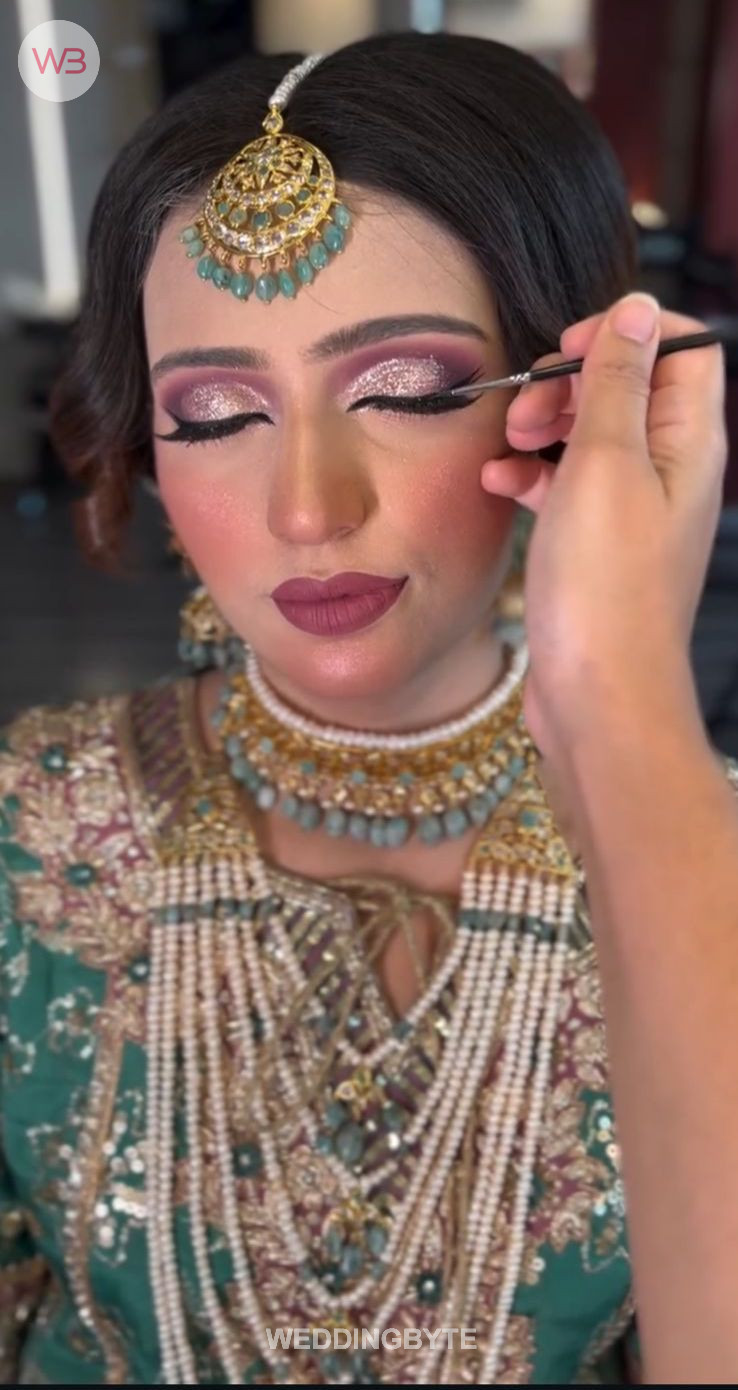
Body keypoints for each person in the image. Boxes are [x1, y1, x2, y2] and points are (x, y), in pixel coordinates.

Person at [1, 30, 736, 1386]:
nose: (306, 508)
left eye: (405, 391)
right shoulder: (29, 827)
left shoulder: (700, 857)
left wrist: (618, 692)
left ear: (567, 399)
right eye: (216, 413)